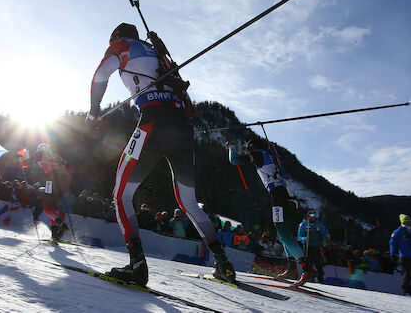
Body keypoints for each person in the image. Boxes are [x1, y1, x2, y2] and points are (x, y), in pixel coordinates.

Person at [86, 23, 235, 286]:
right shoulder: (159, 53)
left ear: (116, 37)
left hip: (154, 122)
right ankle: (223, 263)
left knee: (121, 195)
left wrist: (94, 109)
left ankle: (137, 264)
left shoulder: (122, 46)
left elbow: (101, 74)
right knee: (189, 203)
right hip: (181, 128)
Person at [227, 137, 315, 285]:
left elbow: (235, 160)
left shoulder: (258, 154)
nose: (247, 151)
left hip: (279, 197)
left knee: (283, 235)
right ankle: (292, 268)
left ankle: (307, 269)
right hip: (286, 197)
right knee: (284, 235)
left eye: (248, 148)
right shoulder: (269, 156)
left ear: (253, 148)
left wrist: (231, 147)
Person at [389, 214, 411, 296]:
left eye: (409, 221)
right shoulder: (398, 232)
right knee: (407, 274)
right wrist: (393, 254)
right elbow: (393, 243)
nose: (408, 223)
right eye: (406, 221)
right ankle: (406, 291)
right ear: (402, 222)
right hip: (405, 256)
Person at [297, 209, 330, 283]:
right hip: (308, 246)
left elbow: (323, 233)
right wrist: (304, 238)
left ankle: (320, 278)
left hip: (317, 246)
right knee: (308, 262)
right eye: (311, 215)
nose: (313, 216)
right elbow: (299, 236)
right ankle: (308, 277)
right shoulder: (304, 224)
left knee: (318, 263)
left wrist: (326, 237)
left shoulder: (319, 223)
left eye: (314, 215)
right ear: (308, 215)